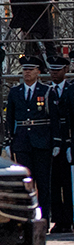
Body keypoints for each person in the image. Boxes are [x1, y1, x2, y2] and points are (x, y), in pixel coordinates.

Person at [7, 55, 54, 210]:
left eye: (30, 70)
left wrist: (56, 141)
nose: (27, 73)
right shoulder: (15, 92)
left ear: (38, 72)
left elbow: (52, 118)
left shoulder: (46, 91)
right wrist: (9, 140)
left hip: (41, 141)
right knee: (25, 182)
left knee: (43, 182)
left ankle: (45, 217)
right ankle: (27, 217)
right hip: (22, 142)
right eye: (25, 70)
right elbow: (10, 118)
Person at [46, 56, 73, 233]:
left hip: (69, 139)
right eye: (52, 70)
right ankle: (58, 219)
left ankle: (70, 218)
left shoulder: (71, 89)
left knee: (69, 183)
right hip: (52, 142)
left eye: (58, 70)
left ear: (65, 70)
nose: (54, 73)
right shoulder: (48, 91)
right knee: (54, 183)